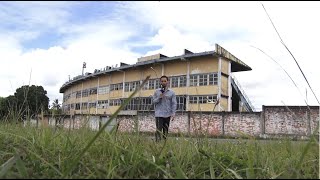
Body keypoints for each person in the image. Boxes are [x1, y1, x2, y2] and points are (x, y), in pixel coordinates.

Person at [152, 75, 177, 142]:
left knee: (165, 130)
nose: (163, 82)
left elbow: (174, 103)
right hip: (159, 114)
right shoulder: (157, 91)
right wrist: (159, 97)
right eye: (162, 81)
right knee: (158, 130)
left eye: (165, 81)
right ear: (160, 82)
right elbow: (154, 101)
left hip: (167, 114)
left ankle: (164, 144)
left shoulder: (171, 92)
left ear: (167, 82)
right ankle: (157, 144)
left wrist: (173, 113)